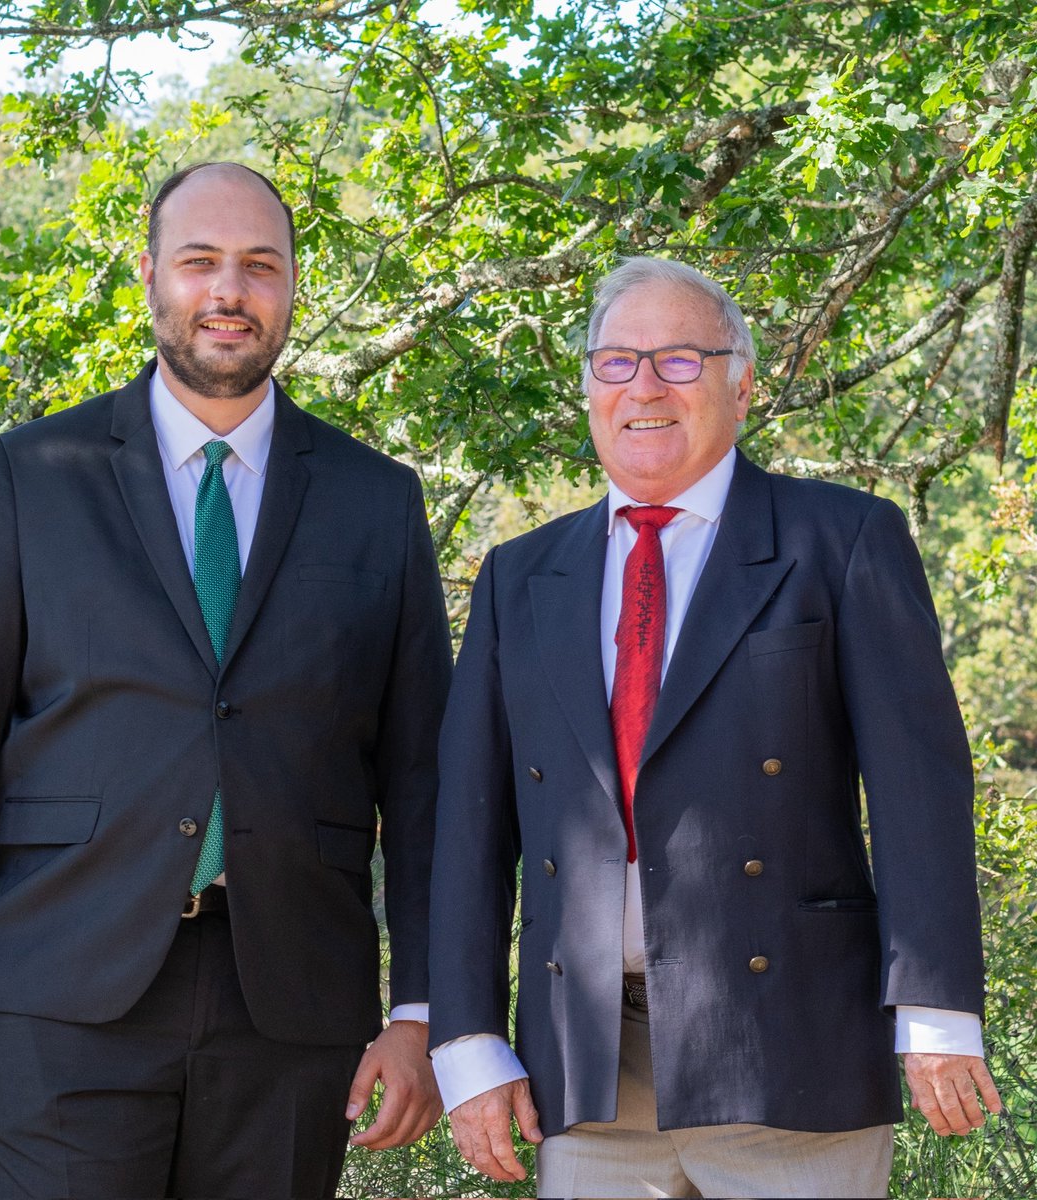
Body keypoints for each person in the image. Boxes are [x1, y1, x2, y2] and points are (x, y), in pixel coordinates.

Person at [0, 161, 452, 1200]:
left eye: (259, 266)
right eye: (200, 262)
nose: (228, 290)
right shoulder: (31, 476)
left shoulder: (378, 502)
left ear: (291, 287)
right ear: (151, 276)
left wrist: (421, 1011)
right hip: (59, 988)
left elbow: (422, 784)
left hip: (293, 1002)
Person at [427, 256, 1001, 1199]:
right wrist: (468, 1037)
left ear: (741, 386)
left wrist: (934, 1008)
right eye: (616, 363)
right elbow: (470, 826)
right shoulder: (519, 575)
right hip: (592, 1070)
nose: (645, 387)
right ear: (587, 392)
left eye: (681, 360)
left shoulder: (842, 539)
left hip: (787, 1052)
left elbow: (919, 787)